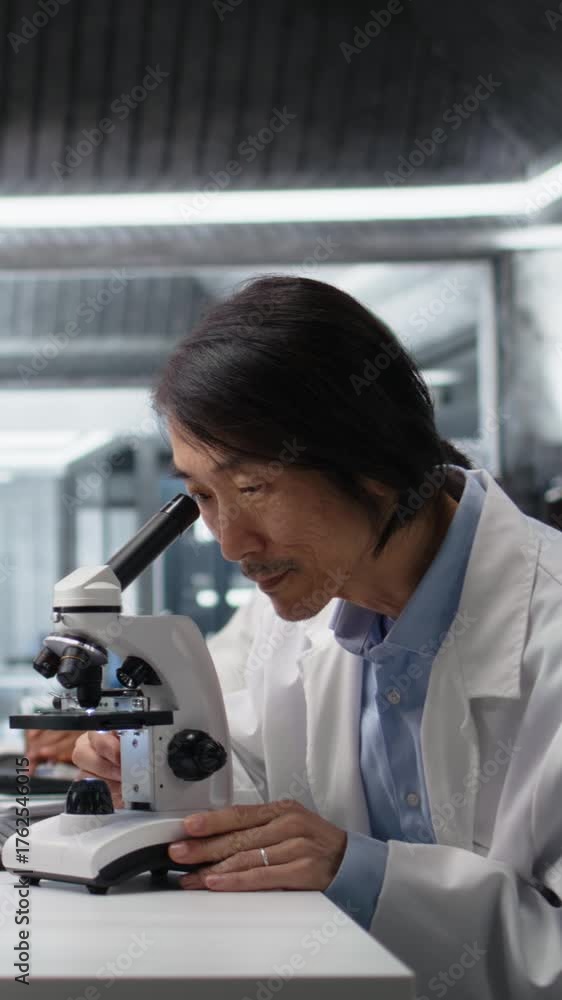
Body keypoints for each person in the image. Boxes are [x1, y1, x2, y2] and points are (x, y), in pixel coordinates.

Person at [73, 275, 562, 1000]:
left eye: (253, 488)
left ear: (371, 459)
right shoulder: (296, 617)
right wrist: (156, 780)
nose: (231, 543)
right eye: (203, 496)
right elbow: (259, 781)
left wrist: (358, 873)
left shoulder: (547, 629)